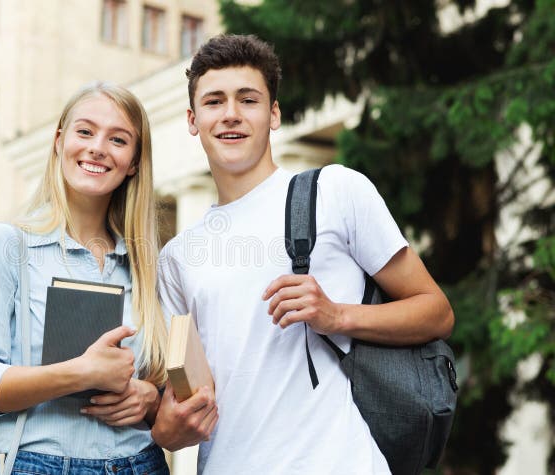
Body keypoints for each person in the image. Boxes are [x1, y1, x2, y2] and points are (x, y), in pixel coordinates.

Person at [151, 34, 455, 474]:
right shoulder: (178, 257)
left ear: (273, 113)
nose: (231, 114)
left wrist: (336, 316)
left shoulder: (334, 191)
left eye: (248, 99)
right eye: (214, 101)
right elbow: (173, 411)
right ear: (193, 119)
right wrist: (167, 429)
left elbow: (437, 312)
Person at [0, 82, 170, 474]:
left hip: (142, 465)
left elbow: (177, 390)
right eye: (85, 131)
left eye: (118, 140)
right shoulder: (6, 246)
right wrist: (81, 373)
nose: (98, 147)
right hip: (41, 464)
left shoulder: (150, 266)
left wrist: (150, 400)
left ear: (135, 161)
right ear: (59, 141)